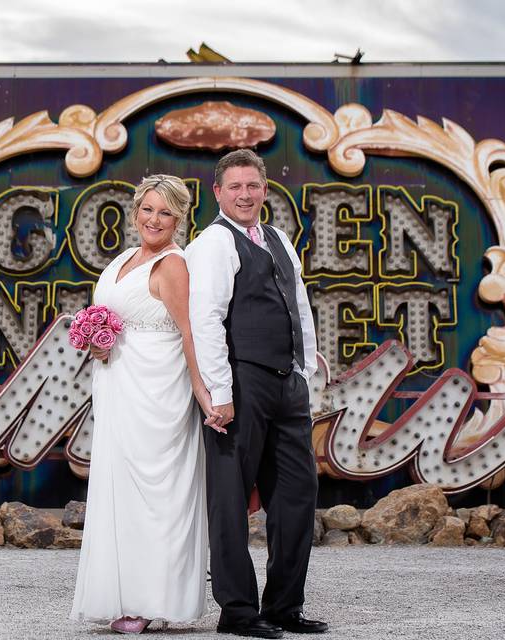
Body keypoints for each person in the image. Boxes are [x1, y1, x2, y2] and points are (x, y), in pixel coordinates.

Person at [70, 175, 222, 634]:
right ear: (135, 211)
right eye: (148, 210)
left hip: (158, 395)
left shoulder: (174, 265)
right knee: (118, 489)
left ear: (180, 219)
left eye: (166, 213)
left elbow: (190, 332)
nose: (154, 220)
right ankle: (121, 596)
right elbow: (119, 321)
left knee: (155, 494)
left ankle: (151, 600)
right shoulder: (122, 259)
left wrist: (204, 392)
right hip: (117, 386)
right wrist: (97, 343)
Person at [186, 149, 327, 638]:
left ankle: (284, 606)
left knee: (297, 494)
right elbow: (206, 320)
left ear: (265, 190)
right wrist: (219, 392)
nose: (245, 194)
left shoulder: (279, 238)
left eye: (253, 185)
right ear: (218, 192)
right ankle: (239, 612)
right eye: (235, 187)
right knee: (229, 497)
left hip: (287, 383)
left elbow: (299, 305)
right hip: (241, 381)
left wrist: (305, 368)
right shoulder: (212, 244)